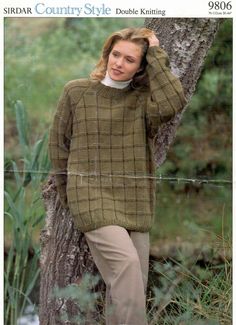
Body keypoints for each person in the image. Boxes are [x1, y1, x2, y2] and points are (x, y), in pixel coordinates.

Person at [48, 27, 186, 325]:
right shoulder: (77, 91)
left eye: (130, 59)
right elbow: (58, 148)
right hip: (91, 198)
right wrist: (70, 196)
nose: (119, 63)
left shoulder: (142, 102)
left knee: (130, 284)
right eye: (116, 54)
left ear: (140, 67)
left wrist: (156, 53)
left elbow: (173, 102)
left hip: (134, 201)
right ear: (107, 54)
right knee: (126, 266)